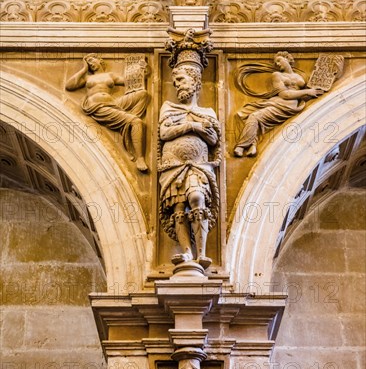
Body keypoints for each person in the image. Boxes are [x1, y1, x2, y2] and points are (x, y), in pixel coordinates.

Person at [158, 61, 221, 269]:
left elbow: (213, 140)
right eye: (174, 82)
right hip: (173, 166)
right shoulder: (169, 108)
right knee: (178, 205)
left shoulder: (208, 112)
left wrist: (198, 129)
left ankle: (201, 254)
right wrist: (193, 126)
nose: (177, 85)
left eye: (181, 80)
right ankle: (186, 252)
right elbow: (165, 133)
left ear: (194, 81)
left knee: (196, 197)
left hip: (198, 165)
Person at [66, 53, 149, 171]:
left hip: (113, 104)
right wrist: (83, 69)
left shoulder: (110, 75)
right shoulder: (87, 78)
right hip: (98, 106)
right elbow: (69, 86)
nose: (91, 64)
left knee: (143, 94)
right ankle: (140, 158)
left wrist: (143, 70)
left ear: (99, 60)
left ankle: (130, 118)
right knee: (136, 122)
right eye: (88, 63)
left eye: (92, 60)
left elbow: (131, 81)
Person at [234, 51, 323, 157]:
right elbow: (284, 94)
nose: (277, 64)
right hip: (279, 103)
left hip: (290, 107)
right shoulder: (277, 75)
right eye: (275, 62)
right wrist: (307, 92)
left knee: (255, 117)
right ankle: (249, 145)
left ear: (287, 59)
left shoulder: (300, 76)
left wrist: (312, 91)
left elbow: (303, 94)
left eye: (279, 60)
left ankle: (243, 146)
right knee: (248, 115)